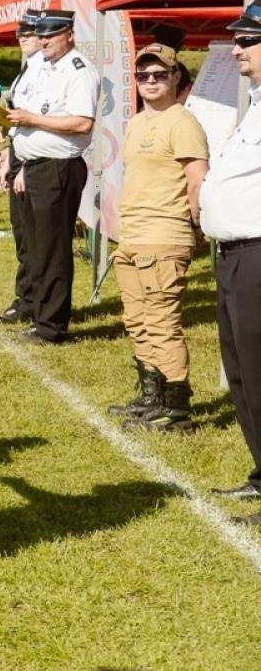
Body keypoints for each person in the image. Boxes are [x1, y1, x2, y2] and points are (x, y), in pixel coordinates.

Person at [104, 43, 209, 434]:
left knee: (163, 322)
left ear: (175, 76)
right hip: (133, 235)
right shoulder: (136, 122)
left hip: (165, 235)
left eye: (159, 74)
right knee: (138, 320)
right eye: (143, 75)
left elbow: (198, 179)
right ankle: (151, 396)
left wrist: (198, 227)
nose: (150, 81)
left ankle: (177, 408)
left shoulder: (182, 122)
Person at [200, 6, 261, 517]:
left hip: (258, 254)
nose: (237, 49)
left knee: (258, 372)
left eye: (249, 40)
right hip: (235, 254)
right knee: (241, 372)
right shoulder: (256, 102)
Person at [5, 10, 98, 344]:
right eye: (40, 36)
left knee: (53, 248)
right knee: (37, 245)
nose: (43, 41)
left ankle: (52, 326)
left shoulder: (80, 72)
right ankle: (41, 316)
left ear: (69, 34)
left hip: (59, 167)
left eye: (50, 35)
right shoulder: (46, 69)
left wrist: (32, 120)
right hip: (37, 165)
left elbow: (81, 123)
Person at [0, 12, 45, 321]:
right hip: (19, 155)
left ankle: (36, 303)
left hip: (36, 161)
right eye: (20, 33)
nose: (23, 37)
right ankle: (25, 298)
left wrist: (24, 163)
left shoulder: (45, 72)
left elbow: (35, 122)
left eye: (31, 33)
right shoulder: (26, 70)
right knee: (23, 236)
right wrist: (8, 158)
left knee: (37, 240)